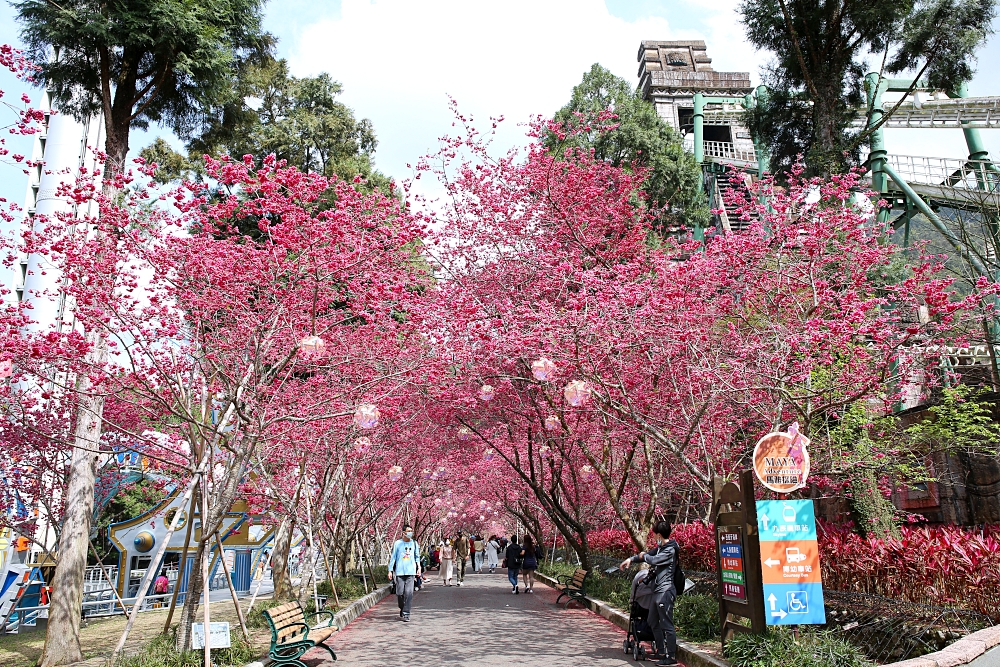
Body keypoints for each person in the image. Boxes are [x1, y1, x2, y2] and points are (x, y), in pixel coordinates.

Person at [619, 520, 679, 666]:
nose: (653, 538)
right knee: (652, 620)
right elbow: (647, 555)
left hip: (665, 592)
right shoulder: (661, 547)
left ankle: (670, 657)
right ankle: (661, 650)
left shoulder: (670, 550)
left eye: (654, 535)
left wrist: (644, 555)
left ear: (658, 535)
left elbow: (654, 559)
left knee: (667, 625)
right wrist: (631, 559)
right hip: (656, 592)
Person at [388, 523, 422, 622]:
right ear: (403, 533)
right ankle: (402, 608)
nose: (410, 533)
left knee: (409, 593)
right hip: (399, 572)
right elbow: (393, 557)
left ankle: (406, 613)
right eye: (408, 531)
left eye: (411, 531)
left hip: (411, 572)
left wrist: (419, 567)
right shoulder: (397, 543)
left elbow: (417, 557)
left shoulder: (414, 543)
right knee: (399, 593)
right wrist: (390, 570)